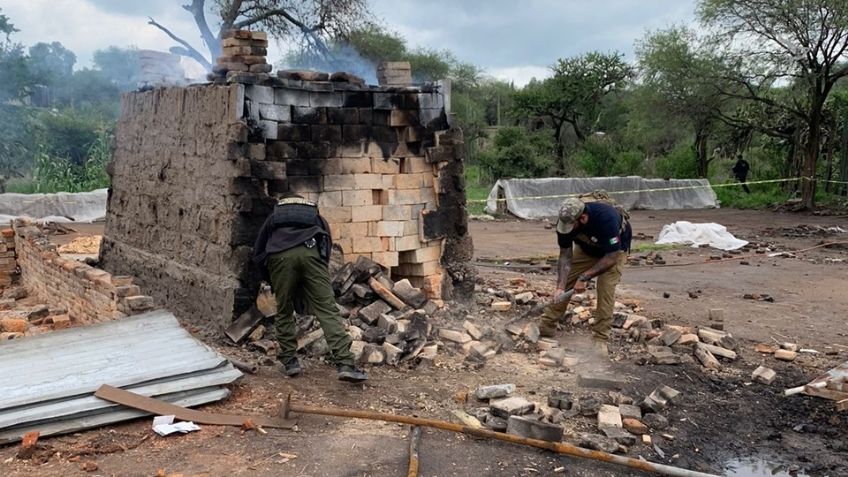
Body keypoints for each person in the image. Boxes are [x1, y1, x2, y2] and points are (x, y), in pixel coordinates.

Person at [252, 194, 367, 383]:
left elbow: (259, 249)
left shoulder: (274, 216)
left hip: (280, 257)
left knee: (284, 309)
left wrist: (268, 276)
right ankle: (345, 364)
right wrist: (320, 266)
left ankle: (290, 361)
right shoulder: (314, 215)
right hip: (311, 253)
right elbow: (327, 241)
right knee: (327, 308)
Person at [540, 197, 632, 355]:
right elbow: (565, 256)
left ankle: (600, 338)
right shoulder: (565, 223)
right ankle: (547, 325)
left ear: (582, 218)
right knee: (567, 280)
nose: (567, 229)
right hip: (586, 249)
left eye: (572, 226)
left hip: (613, 252)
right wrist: (561, 287)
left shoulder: (606, 220)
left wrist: (584, 278)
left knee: (605, 289)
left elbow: (611, 257)